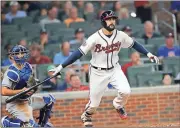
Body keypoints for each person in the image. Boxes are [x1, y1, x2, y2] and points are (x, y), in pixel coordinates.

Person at [50, 10, 159, 127]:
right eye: (109, 19)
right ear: (103, 21)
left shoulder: (120, 35)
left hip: (114, 69)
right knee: (94, 105)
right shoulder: (94, 38)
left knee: (126, 91)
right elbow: (78, 53)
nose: (112, 21)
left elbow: (134, 44)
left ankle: (118, 105)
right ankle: (86, 115)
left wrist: (148, 54)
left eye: (113, 19)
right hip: (98, 72)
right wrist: (61, 66)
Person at [1, 45, 55, 127]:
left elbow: (29, 83)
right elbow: (3, 91)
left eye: (22, 53)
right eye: (18, 53)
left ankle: (42, 124)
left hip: (27, 99)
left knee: (49, 99)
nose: (21, 55)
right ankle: (6, 122)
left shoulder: (28, 66)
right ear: (12, 56)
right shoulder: (11, 72)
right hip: (16, 103)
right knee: (28, 125)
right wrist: (21, 91)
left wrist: (34, 86)